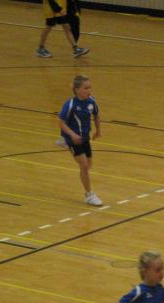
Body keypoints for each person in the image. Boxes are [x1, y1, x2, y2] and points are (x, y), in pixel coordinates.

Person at [58, 74, 103, 206]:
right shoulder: (70, 105)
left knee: (88, 165)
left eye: (90, 88)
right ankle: (89, 195)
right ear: (77, 90)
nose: (89, 91)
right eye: (86, 88)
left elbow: (96, 115)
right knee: (84, 166)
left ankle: (64, 141)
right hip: (74, 139)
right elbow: (61, 122)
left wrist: (98, 131)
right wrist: (72, 135)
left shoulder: (92, 101)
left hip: (84, 138)